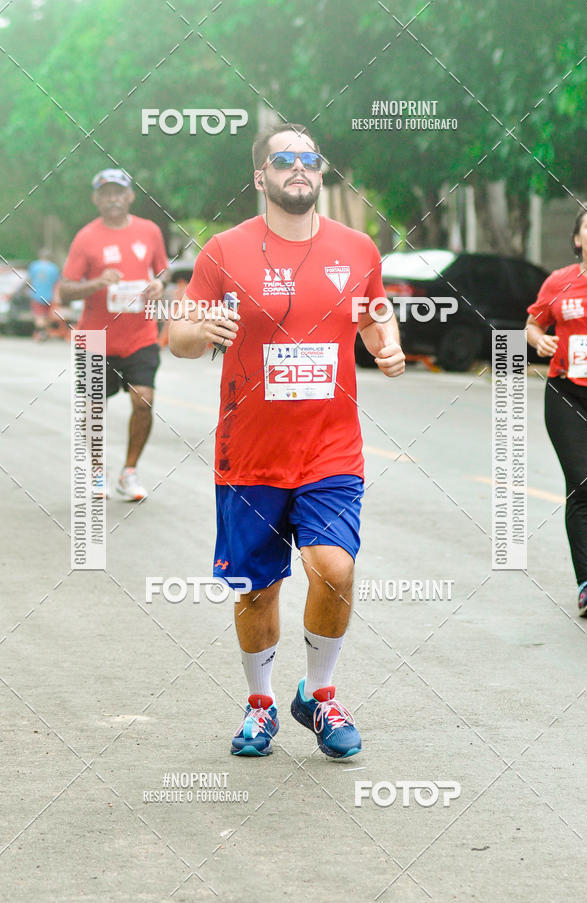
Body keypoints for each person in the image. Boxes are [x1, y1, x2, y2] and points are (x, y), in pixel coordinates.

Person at [169, 123, 405, 757]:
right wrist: (202, 331)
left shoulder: (357, 248)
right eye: (284, 160)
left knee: (335, 567)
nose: (299, 167)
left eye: (309, 158)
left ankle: (320, 695)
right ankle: (261, 705)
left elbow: (374, 312)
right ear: (260, 176)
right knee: (257, 590)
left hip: (330, 449)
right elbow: (179, 336)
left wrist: (387, 343)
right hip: (248, 454)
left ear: (320, 171)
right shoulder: (224, 250)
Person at [59, 169, 169, 500]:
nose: (112, 199)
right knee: (94, 409)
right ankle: (97, 472)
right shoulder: (86, 237)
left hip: (140, 335)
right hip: (95, 337)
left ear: (130, 196)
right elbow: (65, 290)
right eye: (105, 193)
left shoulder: (149, 231)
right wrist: (97, 282)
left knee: (143, 399)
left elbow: (162, 272)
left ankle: (129, 472)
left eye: (118, 192)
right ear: (96, 199)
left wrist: (158, 284)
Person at [526, 197, 587, 618]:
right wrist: (540, 340)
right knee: (584, 484)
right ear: (577, 239)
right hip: (568, 394)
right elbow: (533, 324)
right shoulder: (559, 283)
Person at [28, 249, 60, 341]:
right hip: (49, 295)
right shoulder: (54, 268)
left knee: (38, 315)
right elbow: (57, 283)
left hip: (36, 295)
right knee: (46, 315)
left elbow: (29, 279)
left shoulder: (34, 266)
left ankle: (41, 333)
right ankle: (44, 332)